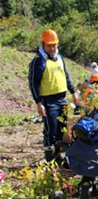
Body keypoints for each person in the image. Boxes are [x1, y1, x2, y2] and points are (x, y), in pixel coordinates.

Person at [28, 29, 79, 163]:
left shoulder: (60, 58)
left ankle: (60, 156)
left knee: (65, 128)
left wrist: (73, 92)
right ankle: (50, 158)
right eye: (49, 45)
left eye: (54, 45)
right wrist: (39, 103)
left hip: (62, 98)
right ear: (43, 44)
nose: (52, 48)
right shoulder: (38, 61)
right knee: (51, 130)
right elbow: (33, 83)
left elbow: (65, 76)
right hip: (48, 101)